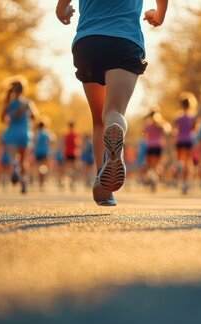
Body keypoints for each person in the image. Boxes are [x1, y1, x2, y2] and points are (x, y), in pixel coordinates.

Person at [56, 0, 168, 206]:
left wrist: (60, 10)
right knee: (113, 113)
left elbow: (63, 7)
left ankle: (103, 183)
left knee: (99, 121)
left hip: (88, 42)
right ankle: (115, 128)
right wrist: (159, 15)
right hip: (124, 40)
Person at [2, 76, 39, 194]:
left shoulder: (9, 103)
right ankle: (23, 182)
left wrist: (12, 115)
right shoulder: (27, 103)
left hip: (11, 133)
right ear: (23, 90)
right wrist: (25, 115)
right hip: (24, 133)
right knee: (23, 160)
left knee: (14, 159)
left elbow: (2, 118)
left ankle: (14, 167)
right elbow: (34, 116)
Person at [174, 92, 197, 194]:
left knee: (181, 160)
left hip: (179, 140)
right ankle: (185, 183)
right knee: (188, 162)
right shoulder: (192, 117)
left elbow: (175, 129)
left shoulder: (178, 117)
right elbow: (194, 129)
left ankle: (179, 165)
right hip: (189, 140)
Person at [143, 108, 171, 192]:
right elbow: (167, 131)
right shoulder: (161, 125)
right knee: (156, 166)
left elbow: (143, 133)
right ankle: (154, 181)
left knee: (151, 166)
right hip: (158, 146)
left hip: (150, 146)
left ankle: (153, 180)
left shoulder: (148, 126)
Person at [33, 119, 53, 190]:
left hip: (37, 152)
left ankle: (40, 182)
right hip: (45, 152)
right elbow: (52, 141)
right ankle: (43, 182)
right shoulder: (47, 133)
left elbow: (33, 142)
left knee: (38, 167)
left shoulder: (36, 133)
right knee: (44, 167)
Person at [63, 121, 80, 190]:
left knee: (68, 168)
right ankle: (72, 182)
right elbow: (77, 144)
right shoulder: (76, 135)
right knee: (74, 168)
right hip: (73, 153)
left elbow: (64, 145)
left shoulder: (66, 135)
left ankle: (70, 181)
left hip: (67, 153)